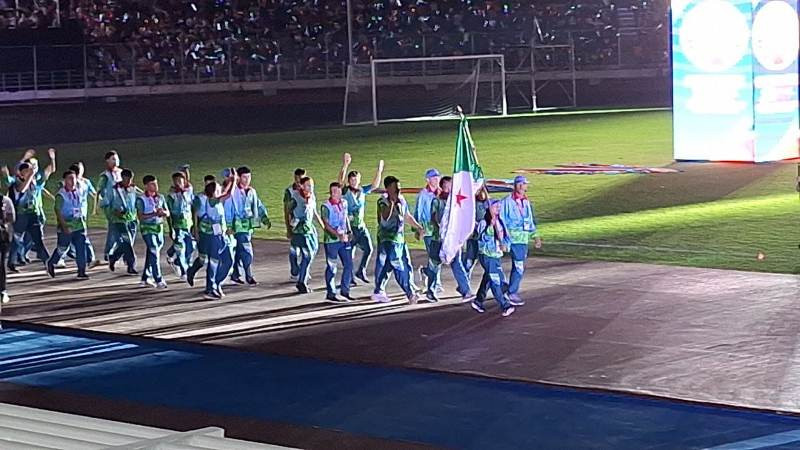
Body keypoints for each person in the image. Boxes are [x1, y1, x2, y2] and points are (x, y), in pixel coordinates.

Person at [371, 176, 423, 304]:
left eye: (399, 188)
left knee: (394, 264)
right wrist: (393, 203)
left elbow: (406, 216)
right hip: (388, 239)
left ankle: (379, 290)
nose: (399, 191)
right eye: (395, 188)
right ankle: (409, 293)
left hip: (400, 238)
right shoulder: (383, 201)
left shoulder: (401, 200)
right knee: (397, 264)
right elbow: (385, 217)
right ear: (388, 189)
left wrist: (418, 227)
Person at [424, 176, 472, 302]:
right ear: (443, 186)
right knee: (435, 266)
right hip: (438, 239)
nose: (449, 188)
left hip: (453, 239)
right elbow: (434, 218)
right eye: (447, 185)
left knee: (457, 264)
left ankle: (466, 290)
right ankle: (430, 290)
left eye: (451, 185)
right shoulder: (437, 201)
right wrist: (441, 229)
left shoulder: (456, 202)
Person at [189, 171, 236, 300]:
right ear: (214, 193)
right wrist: (234, 179)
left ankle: (216, 283)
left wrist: (231, 181)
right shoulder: (213, 202)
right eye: (218, 189)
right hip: (212, 237)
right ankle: (210, 288)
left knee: (228, 260)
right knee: (213, 261)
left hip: (220, 235)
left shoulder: (215, 200)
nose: (220, 190)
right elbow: (229, 194)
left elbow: (225, 193)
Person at [339, 153, 384, 284]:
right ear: (349, 181)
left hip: (361, 226)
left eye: (356, 179)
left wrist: (379, 171)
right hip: (349, 227)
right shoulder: (345, 191)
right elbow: (340, 181)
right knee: (349, 254)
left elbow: (375, 185)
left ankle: (361, 270)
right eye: (352, 180)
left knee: (369, 248)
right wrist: (345, 165)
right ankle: (350, 276)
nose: (354, 182)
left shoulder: (362, 191)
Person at [9, 150, 56, 269]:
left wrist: (52, 158)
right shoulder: (17, 182)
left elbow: (49, 171)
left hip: (34, 214)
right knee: (17, 239)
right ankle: (12, 261)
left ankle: (48, 262)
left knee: (38, 239)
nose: (32, 170)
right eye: (29, 169)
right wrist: (25, 160)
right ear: (22, 172)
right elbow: (22, 189)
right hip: (21, 215)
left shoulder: (35, 181)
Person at [499, 175, 542, 306]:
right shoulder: (507, 202)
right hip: (512, 239)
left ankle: (503, 288)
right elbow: (501, 221)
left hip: (522, 240)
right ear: (516, 185)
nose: (523, 187)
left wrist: (535, 236)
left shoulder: (526, 202)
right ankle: (511, 292)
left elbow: (529, 221)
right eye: (520, 184)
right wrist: (503, 240)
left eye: (524, 184)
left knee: (518, 267)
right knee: (518, 267)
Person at [470, 199, 516, 317]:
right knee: (496, 281)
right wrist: (490, 227)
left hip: (496, 256)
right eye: (496, 207)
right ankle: (505, 305)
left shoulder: (500, 221)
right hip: (487, 256)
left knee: (489, 278)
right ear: (489, 209)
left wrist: (506, 245)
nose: (498, 209)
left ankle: (478, 301)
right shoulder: (483, 223)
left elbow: (506, 236)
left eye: (499, 207)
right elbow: (482, 238)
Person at [229, 166, 271, 285]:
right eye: (244, 177)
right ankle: (249, 275)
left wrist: (264, 218)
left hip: (248, 225)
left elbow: (258, 204)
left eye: (249, 177)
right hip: (237, 225)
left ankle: (236, 274)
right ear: (238, 178)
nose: (247, 180)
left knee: (239, 250)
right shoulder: (234, 192)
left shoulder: (251, 191)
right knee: (247, 251)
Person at [46, 170, 90, 280]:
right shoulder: (61, 195)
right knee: (62, 248)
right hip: (66, 224)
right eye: (70, 178)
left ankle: (81, 271)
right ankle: (51, 262)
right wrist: (64, 226)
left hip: (79, 224)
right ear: (65, 180)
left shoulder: (79, 190)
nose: (72, 181)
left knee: (81, 248)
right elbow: (58, 211)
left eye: (74, 178)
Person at [287, 176, 324, 293]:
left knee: (311, 250)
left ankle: (299, 273)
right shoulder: (296, 198)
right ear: (302, 186)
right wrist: (291, 226)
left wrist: (323, 226)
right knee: (306, 255)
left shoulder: (312, 196)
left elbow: (314, 212)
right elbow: (289, 212)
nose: (310, 187)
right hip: (300, 230)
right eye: (308, 185)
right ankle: (301, 280)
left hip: (309, 229)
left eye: (312, 185)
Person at [321, 182, 353, 302]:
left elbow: (345, 217)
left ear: (340, 192)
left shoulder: (344, 203)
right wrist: (337, 235)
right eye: (332, 191)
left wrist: (349, 231)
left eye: (336, 191)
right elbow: (326, 224)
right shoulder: (326, 206)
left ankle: (345, 291)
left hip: (344, 239)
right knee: (332, 267)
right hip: (331, 241)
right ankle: (331, 292)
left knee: (349, 265)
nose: (333, 193)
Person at [136, 175, 170, 289]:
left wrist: (163, 213)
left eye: (156, 183)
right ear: (146, 186)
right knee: (154, 250)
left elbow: (167, 212)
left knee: (152, 253)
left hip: (159, 228)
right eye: (152, 184)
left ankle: (145, 277)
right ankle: (158, 278)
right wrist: (154, 214)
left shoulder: (160, 197)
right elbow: (140, 217)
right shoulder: (141, 199)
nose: (156, 186)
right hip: (147, 228)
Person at [186, 174, 217, 287]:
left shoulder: (216, 197)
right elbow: (195, 214)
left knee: (214, 257)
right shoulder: (200, 198)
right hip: (203, 230)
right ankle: (191, 271)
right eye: (207, 183)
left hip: (214, 232)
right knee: (203, 258)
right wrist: (196, 229)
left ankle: (212, 284)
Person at [414, 168, 442, 293]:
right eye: (434, 178)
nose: (436, 180)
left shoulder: (441, 193)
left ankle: (427, 273)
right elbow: (419, 213)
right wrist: (419, 229)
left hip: (440, 231)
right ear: (428, 180)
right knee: (433, 257)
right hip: (428, 230)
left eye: (437, 177)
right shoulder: (423, 195)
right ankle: (434, 284)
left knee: (439, 257)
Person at [107, 168, 139, 274]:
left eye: (130, 179)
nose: (129, 181)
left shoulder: (133, 189)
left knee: (127, 244)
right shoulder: (114, 189)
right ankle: (131, 266)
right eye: (126, 179)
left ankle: (113, 257)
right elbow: (105, 204)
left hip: (132, 220)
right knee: (128, 242)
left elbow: (142, 198)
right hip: (119, 221)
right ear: (122, 177)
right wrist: (113, 212)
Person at [165, 171, 195, 280]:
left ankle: (172, 255)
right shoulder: (171, 196)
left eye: (180, 181)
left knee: (191, 248)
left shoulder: (188, 191)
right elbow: (169, 214)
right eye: (175, 181)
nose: (178, 183)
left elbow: (192, 206)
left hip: (189, 224)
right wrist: (171, 228)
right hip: (178, 225)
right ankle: (184, 270)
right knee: (180, 249)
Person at [97, 151, 122, 261]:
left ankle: (113, 251)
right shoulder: (105, 176)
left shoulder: (122, 173)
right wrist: (104, 202)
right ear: (107, 161)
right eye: (113, 159)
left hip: (122, 206)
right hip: (111, 207)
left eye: (116, 158)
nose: (116, 161)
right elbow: (100, 191)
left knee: (118, 229)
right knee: (114, 229)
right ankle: (109, 252)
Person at [283, 168, 306, 281]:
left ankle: (302, 270)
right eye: (297, 180)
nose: (299, 182)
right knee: (294, 249)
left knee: (305, 249)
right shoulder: (290, 191)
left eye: (301, 180)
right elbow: (286, 210)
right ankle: (294, 270)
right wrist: (288, 228)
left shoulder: (307, 190)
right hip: (294, 224)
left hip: (305, 225)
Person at [462, 185, 490, 277]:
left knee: (486, 261)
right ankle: (465, 280)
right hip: (473, 235)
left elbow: (489, 204)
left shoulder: (486, 204)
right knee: (470, 259)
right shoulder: (470, 203)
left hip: (484, 236)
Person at [0, 190, 15, 304]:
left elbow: (12, 218)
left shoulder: (5, 201)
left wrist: (3, 220)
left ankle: (3, 290)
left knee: (1, 264)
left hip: (3, 237)